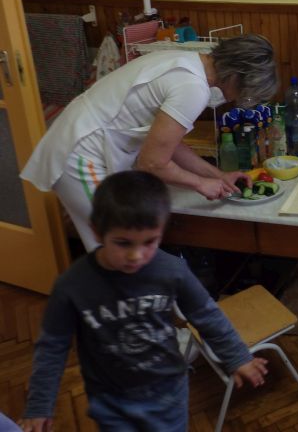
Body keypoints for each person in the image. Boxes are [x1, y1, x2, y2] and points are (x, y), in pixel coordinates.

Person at [19, 171, 268, 432]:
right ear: (96, 231)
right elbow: (52, 347)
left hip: (168, 395)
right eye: (123, 243)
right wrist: (39, 405)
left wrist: (237, 356)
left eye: (149, 241)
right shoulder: (72, 285)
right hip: (111, 402)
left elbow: (206, 313)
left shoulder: (172, 270)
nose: (136, 256)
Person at [21, 33, 278, 251]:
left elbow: (169, 145)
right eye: (245, 92)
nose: (238, 100)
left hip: (85, 144)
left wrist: (218, 176)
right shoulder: (192, 88)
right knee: (119, 249)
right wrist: (201, 184)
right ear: (235, 76)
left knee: (120, 251)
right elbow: (152, 163)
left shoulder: (186, 62)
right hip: (80, 155)